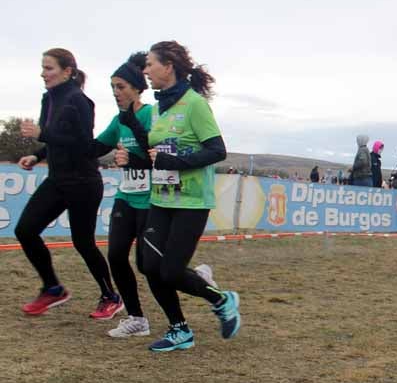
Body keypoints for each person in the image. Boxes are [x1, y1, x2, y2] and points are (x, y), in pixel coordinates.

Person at [140, 40, 240, 352]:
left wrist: (174, 161)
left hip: (191, 202)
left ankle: (222, 300)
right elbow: (158, 152)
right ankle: (179, 329)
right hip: (161, 198)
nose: (145, 70)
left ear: (167, 67)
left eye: (150, 64)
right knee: (148, 265)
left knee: (170, 271)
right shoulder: (157, 108)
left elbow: (217, 151)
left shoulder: (195, 104)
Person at [15, 48, 123, 317]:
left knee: (83, 242)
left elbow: (84, 145)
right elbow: (56, 139)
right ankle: (53, 288)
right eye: (42, 68)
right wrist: (36, 154)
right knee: (25, 230)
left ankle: (111, 296)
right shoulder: (48, 99)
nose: (43, 73)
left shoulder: (80, 101)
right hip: (58, 180)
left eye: (49, 68)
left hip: (84, 182)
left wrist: (43, 134)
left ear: (67, 71)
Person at [89, 52, 157, 333]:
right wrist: (50, 140)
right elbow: (94, 147)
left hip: (152, 199)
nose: (116, 93)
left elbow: (157, 156)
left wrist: (132, 154)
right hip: (126, 196)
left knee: (147, 264)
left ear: (137, 88)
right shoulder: (118, 120)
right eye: (113, 87)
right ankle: (137, 317)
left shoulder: (152, 114)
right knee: (116, 256)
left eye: (121, 87)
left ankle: (194, 277)